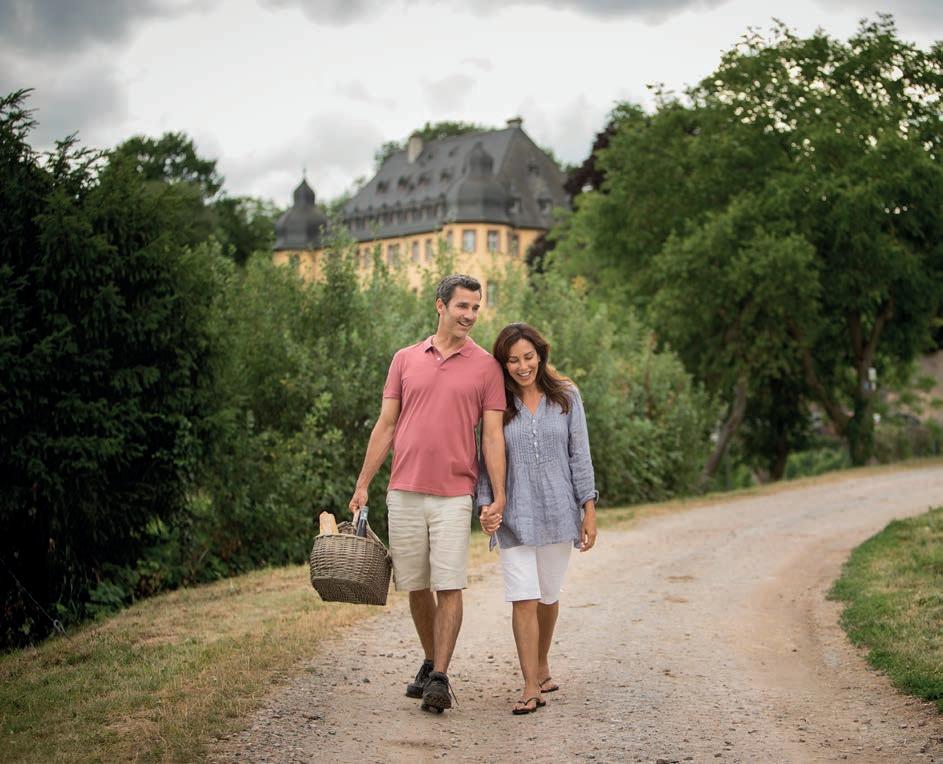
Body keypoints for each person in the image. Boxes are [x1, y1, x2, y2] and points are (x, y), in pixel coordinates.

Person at [348, 274, 507, 714]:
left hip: (455, 493)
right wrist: (363, 483)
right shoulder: (404, 359)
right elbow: (386, 425)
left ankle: (439, 677)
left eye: (475, 308)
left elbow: (492, 436)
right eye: (462, 306)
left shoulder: (486, 368)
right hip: (403, 491)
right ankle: (431, 660)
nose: (470, 315)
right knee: (415, 585)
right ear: (440, 305)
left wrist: (498, 494)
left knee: (449, 583)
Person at [478, 322, 598, 715]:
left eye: (528, 357)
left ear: (540, 355)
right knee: (523, 598)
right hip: (513, 516)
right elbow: (485, 459)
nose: (522, 366)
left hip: (559, 512)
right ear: (503, 364)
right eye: (513, 360)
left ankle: (542, 664)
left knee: (547, 596)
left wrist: (588, 508)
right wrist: (486, 505)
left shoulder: (566, 396)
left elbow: (580, 455)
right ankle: (530, 686)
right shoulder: (497, 403)